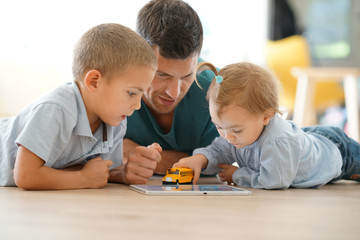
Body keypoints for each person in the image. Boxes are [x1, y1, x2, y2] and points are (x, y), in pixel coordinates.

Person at [0, 23, 160, 189]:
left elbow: (101, 172)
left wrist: (125, 173)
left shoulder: (114, 121)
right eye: (132, 93)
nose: (138, 105)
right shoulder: (57, 108)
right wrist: (83, 178)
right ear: (94, 82)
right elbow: (25, 176)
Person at [174, 62, 360, 189]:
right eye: (219, 127)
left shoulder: (276, 141)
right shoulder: (234, 132)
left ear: (266, 116)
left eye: (236, 130)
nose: (227, 136)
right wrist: (200, 159)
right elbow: (219, 150)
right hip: (306, 140)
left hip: (338, 153)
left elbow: (275, 181)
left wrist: (238, 175)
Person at [123, 0, 219, 178]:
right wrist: (193, 157)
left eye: (186, 76)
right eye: (162, 75)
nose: (174, 93)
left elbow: (226, 161)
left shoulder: (219, 90)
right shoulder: (112, 83)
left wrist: (135, 153)